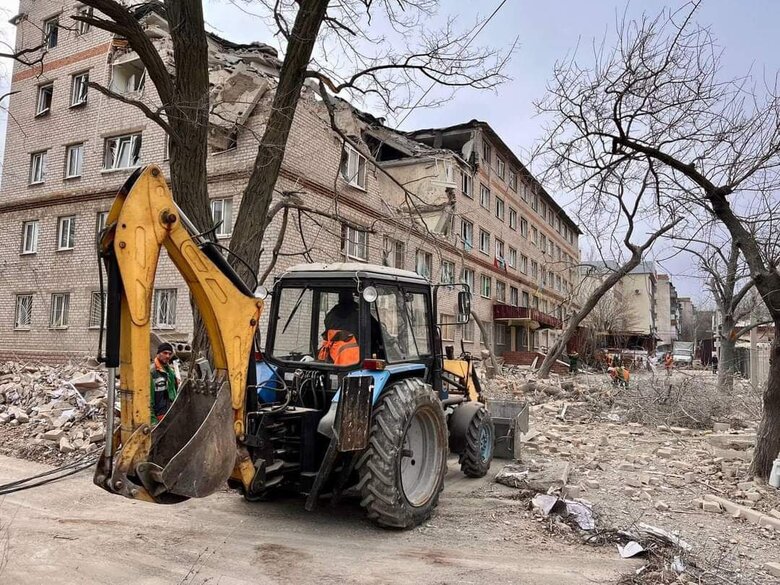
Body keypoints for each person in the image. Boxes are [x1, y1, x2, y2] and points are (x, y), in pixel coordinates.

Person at [319, 290, 383, 365]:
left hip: (333, 357)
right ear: (351, 297)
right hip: (357, 360)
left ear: (339, 298)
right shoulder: (360, 313)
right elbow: (377, 330)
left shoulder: (330, 315)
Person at [151, 342, 178, 424]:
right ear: (158, 353)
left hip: (171, 415)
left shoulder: (170, 372)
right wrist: (153, 421)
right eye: (165, 353)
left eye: (169, 354)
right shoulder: (152, 372)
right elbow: (148, 400)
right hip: (159, 416)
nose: (167, 356)